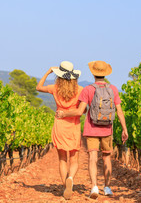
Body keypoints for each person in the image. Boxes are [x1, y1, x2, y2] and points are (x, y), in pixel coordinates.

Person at [57, 60, 128, 199]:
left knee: (93, 158)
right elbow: (119, 111)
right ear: (105, 73)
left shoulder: (88, 90)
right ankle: (107, 187)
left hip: (91, 129)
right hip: (107, 129)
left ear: (93, 73)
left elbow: (79, 112)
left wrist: (64, 114)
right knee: (107, 158)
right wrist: (124, 129)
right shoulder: (113, 89)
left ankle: (94, 186)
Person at [36, 61, 83, 200]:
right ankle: (70, 179)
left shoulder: (55, 88)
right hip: (74, 125)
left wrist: (48, 71)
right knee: (74, 159)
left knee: (62, 159)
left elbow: (38, 87)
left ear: (59, 76)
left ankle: (64, 186)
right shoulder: (80, 90)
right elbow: (83, 109)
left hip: (60, 124)